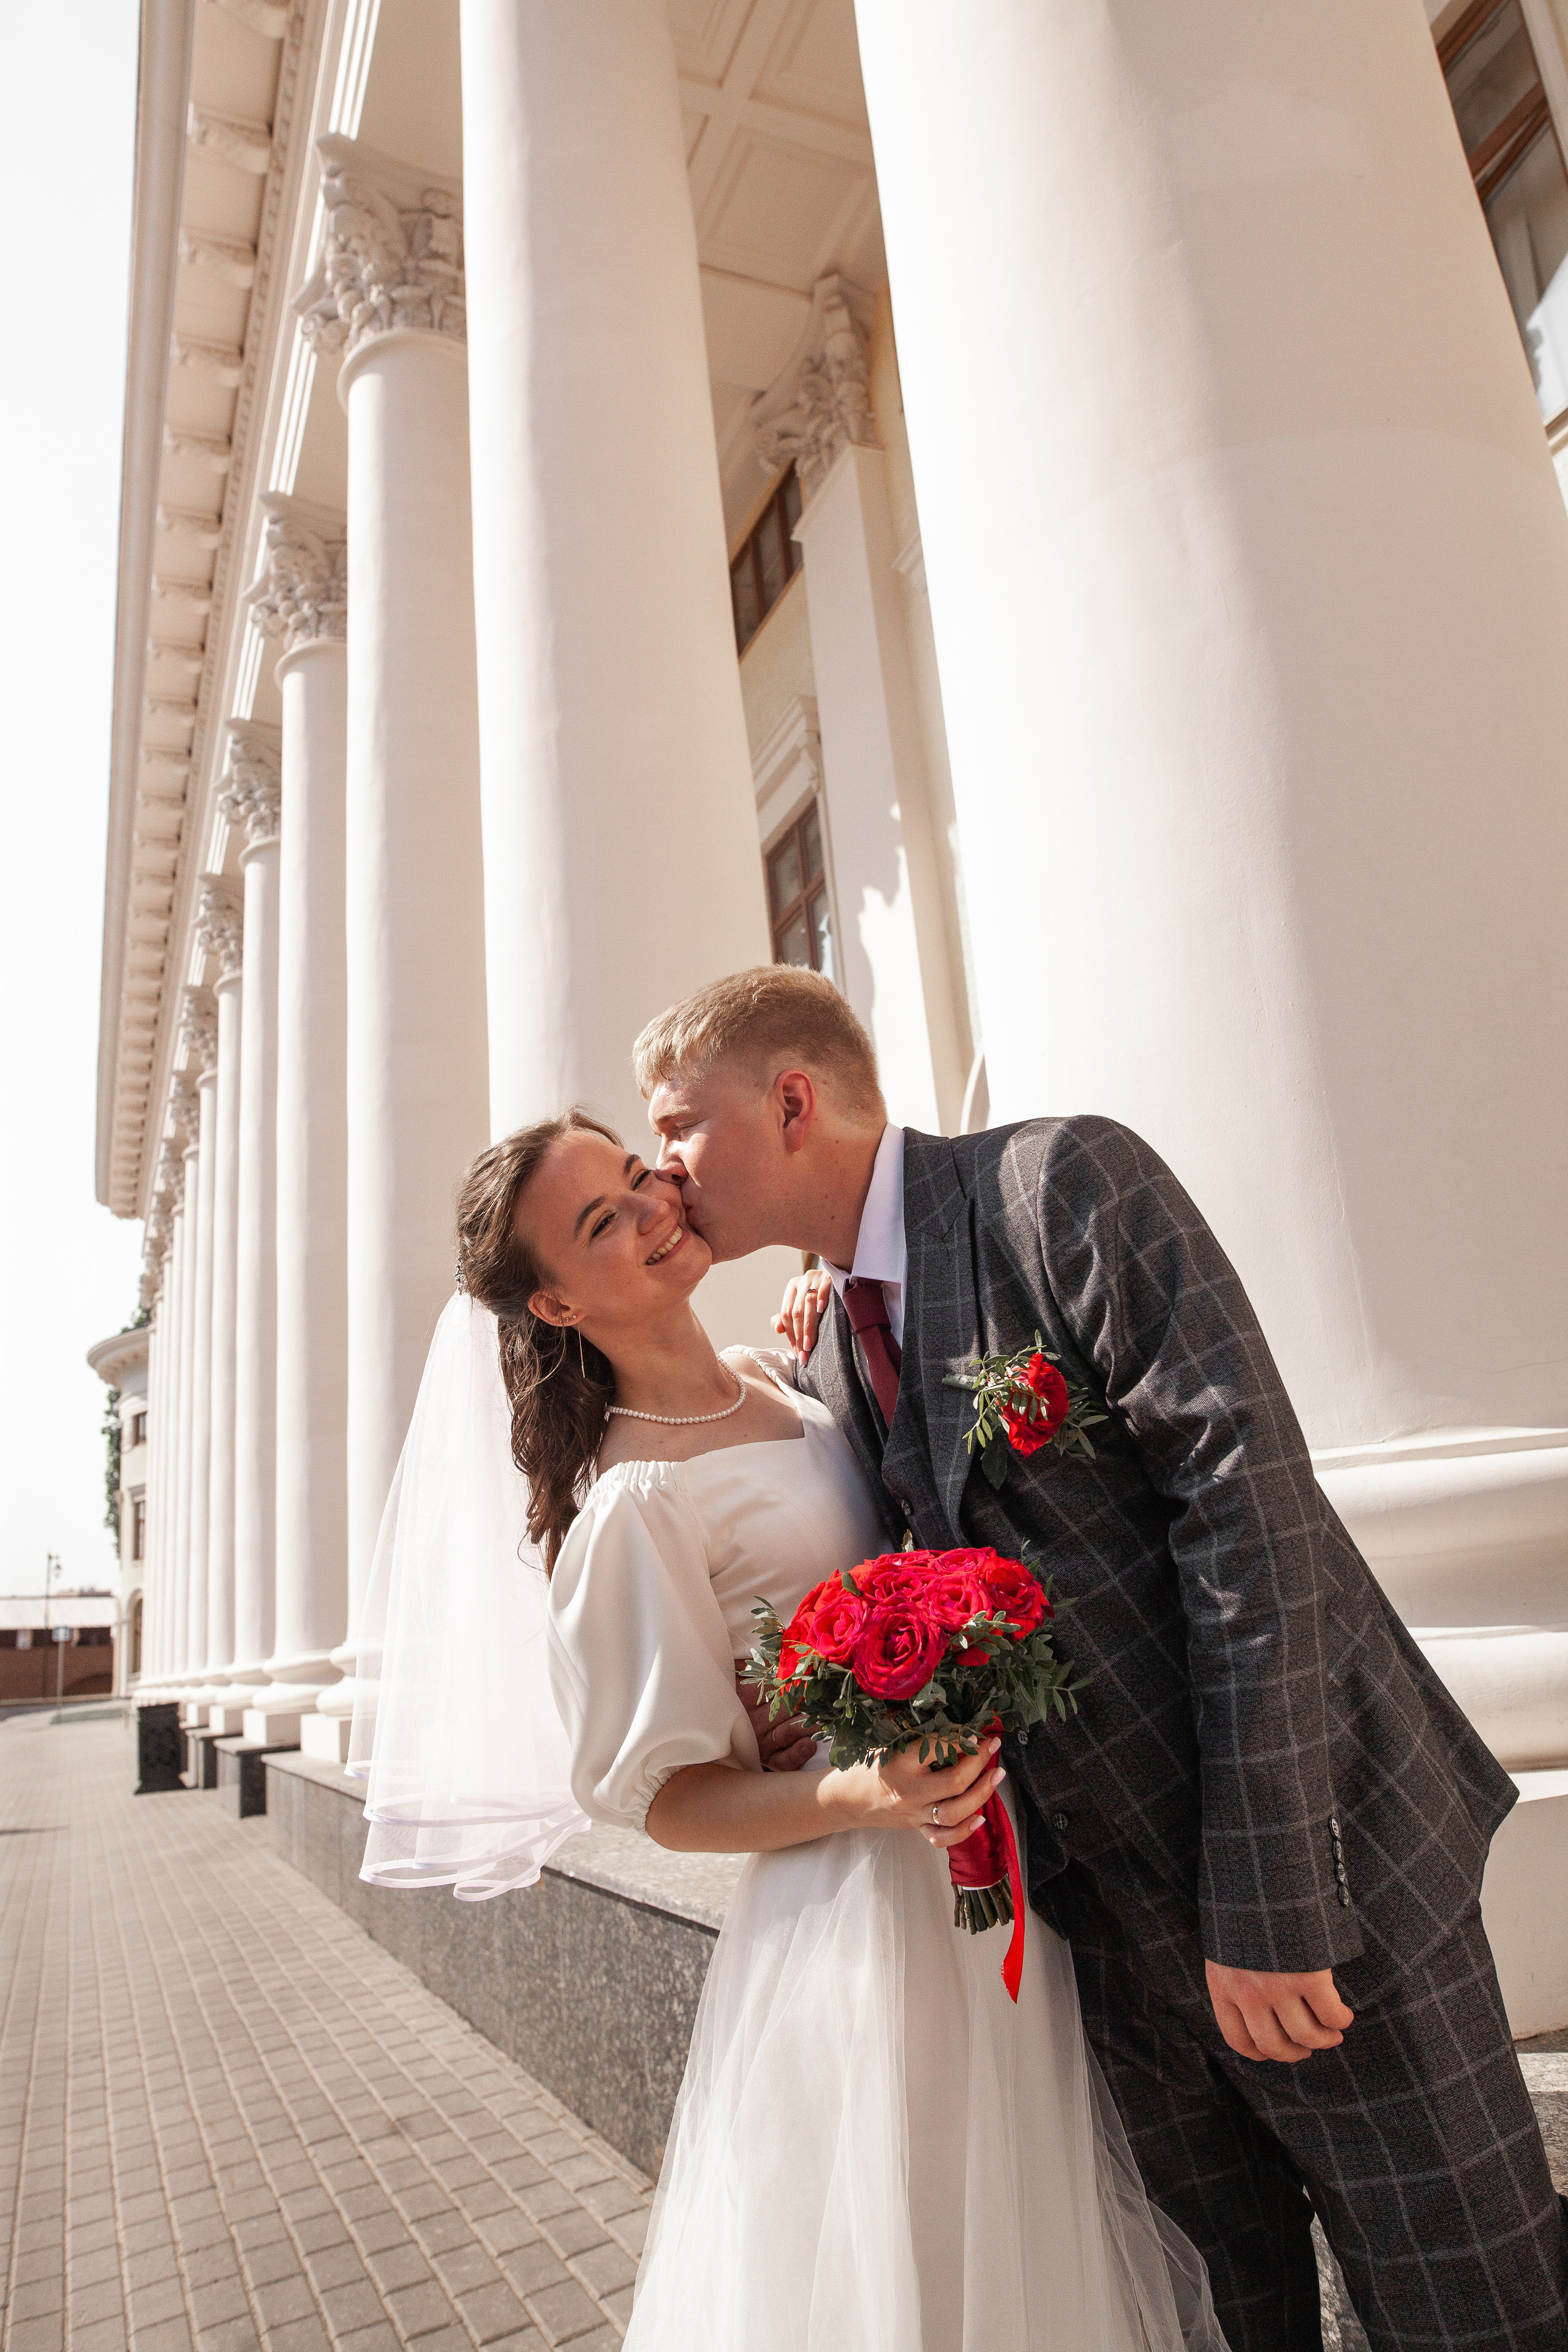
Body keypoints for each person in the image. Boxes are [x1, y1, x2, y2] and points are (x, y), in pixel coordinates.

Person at [628, 963, 1568, 2352]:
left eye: (675, 1127)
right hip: (1110, 1969)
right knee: (1223, 2327)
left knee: (1472, 2313)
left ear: (788, 1101)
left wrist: (1266, 1907)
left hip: (1323, 1896)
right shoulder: (825, 1350)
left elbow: (1250, 1518)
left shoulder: (1057, 1183)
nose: (662, 1172)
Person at [451, 1107, 1229, 2352]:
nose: (653, 1210)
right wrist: (854, 1798)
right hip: (861, 1923)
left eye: (641, 1178)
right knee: (917, 2265)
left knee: (1028, 2255)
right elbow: (657, 1797)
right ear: (553, 1307)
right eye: (602, 1222)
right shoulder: (632, 1506)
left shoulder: (785, 1378)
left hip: (989, 1871)